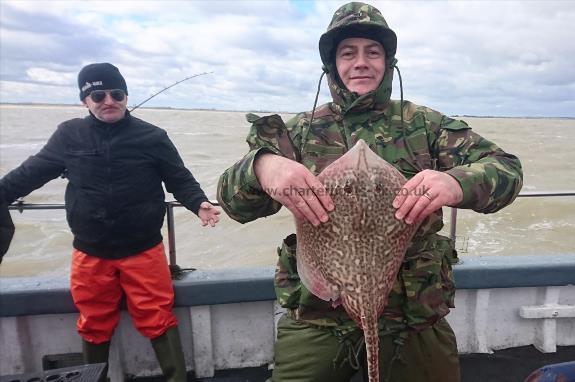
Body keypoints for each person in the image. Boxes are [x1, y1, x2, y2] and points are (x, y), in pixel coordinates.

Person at [217, 2, 522, 381]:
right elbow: (234, 205)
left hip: (412, 317)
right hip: (320, 317)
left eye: (372, 52)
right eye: (348, 53)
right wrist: (261, 166)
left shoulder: (425, 125)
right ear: (332, 65)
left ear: (388, 62)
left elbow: (506, 169)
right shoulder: (297, 132)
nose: (361, 62)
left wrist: (457, 181)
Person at [0, 63, 221, 382]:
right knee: (93, 321)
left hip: (144, 249)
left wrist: (199, 203)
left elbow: (179, 178)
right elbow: (32, 172)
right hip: (90, 253)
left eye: (116, 93)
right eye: (98, 94)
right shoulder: (68, 135)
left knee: (157, 317)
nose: (108, 100)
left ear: (126, 96)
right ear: (84, 101)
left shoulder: (153, 136)